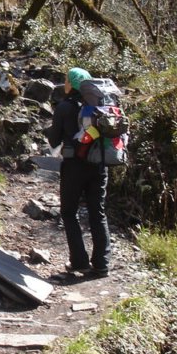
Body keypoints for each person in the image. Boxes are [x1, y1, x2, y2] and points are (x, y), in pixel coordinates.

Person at [47, 66, 111, 277]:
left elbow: (54, 140)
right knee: (97, 212)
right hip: (99, 163)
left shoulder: (65, 107)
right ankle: (101, 264)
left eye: (66, 80)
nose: (64, 84)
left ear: (72, 84)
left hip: (74, 166)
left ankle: (80, 262)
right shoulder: (101, 105)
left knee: (69, 212)